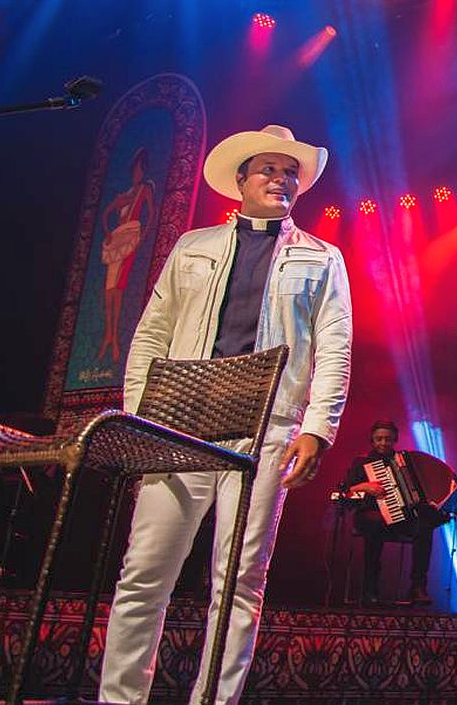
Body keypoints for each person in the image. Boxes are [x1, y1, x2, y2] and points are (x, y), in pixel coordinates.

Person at [98, 124, 353, 705]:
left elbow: (335, 346)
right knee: (144, 573)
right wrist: (139, 418)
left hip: (268, 427)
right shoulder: (194, 246)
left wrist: (317, 428)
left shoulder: (321, 257)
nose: (281, 179)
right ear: (241, 180)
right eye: (268, 169)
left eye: (290, 172)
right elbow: (151, 335)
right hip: (180, 425)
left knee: (240, 580)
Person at [342, 419, 444, 605]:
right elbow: (346, 491)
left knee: (424, 527)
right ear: (372, 440)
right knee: (375, 524)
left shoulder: (404, 461)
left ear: (395, 439)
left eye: (388, 439)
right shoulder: (362, 461)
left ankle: (417, 587)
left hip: (401, 517)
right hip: (369, 513)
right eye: (379, 439)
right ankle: (370, 589)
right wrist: (365, 486)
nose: (383, 443)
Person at [98, 146, 156, 363]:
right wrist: (107, 232)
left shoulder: (145, 189)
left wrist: (143, 236)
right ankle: (109, 335)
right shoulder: (126, 195)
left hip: (131, 237)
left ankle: (113, 337)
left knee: (119, 286)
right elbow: (106, 213)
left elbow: (151, 213)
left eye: (139, 170)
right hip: (117, 239)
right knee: (109, 289)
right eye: (135, 170)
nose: (136, 174)